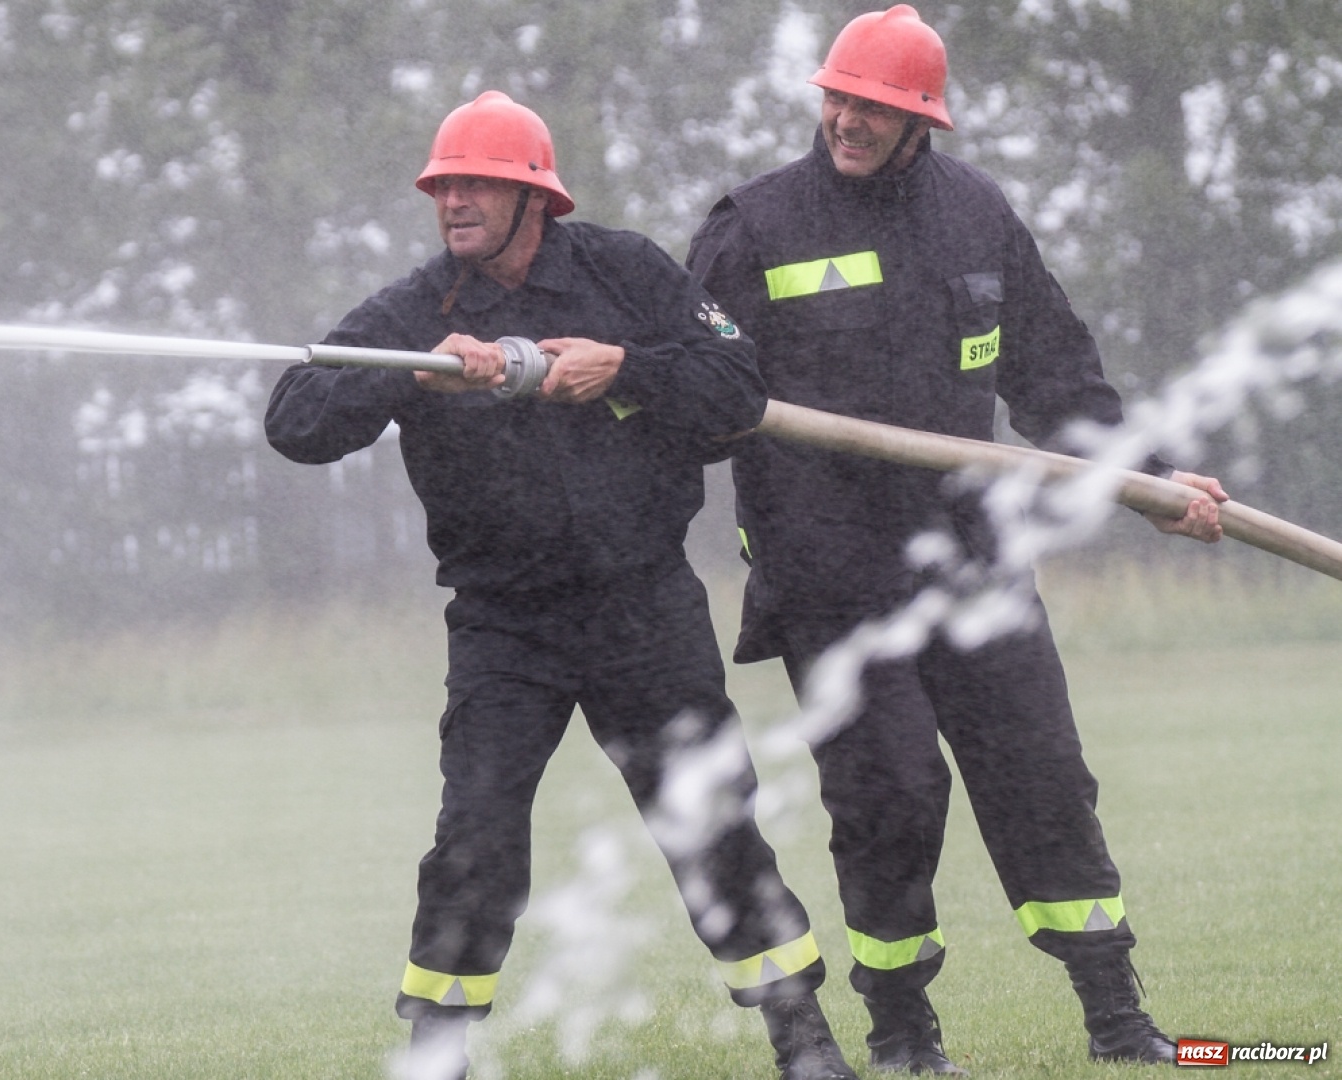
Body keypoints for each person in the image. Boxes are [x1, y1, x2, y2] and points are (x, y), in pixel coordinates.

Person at [266, 91, 859, 1080]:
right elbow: (294, 420)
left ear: (534, 196)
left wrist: (623, 369)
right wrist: (409, 377)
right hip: (505, 624)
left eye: (475, 184)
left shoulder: (625, 274)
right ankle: (440, 1057)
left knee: (712, 823)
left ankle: (804, 1044)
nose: (451, 200)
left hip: (644, 607)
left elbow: (736, 389)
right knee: (476, 836)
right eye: (441, 184)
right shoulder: (419, 311)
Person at [686, 6, 1228, 1074]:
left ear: (918, 119)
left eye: (874, 108)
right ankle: (899, 1028)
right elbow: (690, 394)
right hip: (833, 581)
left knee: (1044, 778)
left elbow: (1058, 379)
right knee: (890, 796)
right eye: (838, 98)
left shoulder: (977, 216)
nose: (848, 120)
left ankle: (1117, 1017)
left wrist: (1152, 480)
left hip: (973, 566)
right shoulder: (754, 226)